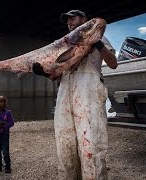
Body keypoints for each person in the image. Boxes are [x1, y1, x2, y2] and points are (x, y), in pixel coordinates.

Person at [54, 10, 118, 180]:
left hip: (88, 95)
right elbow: (57, 76)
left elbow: (113, 63)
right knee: (65, 141)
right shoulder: (66, 43)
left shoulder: (100, 37)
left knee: (91, 142)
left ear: (83, 19)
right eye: (67, 21)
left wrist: (98, 44)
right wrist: (44, 72)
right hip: (65, 96)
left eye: (72, 18)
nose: (69, 23)